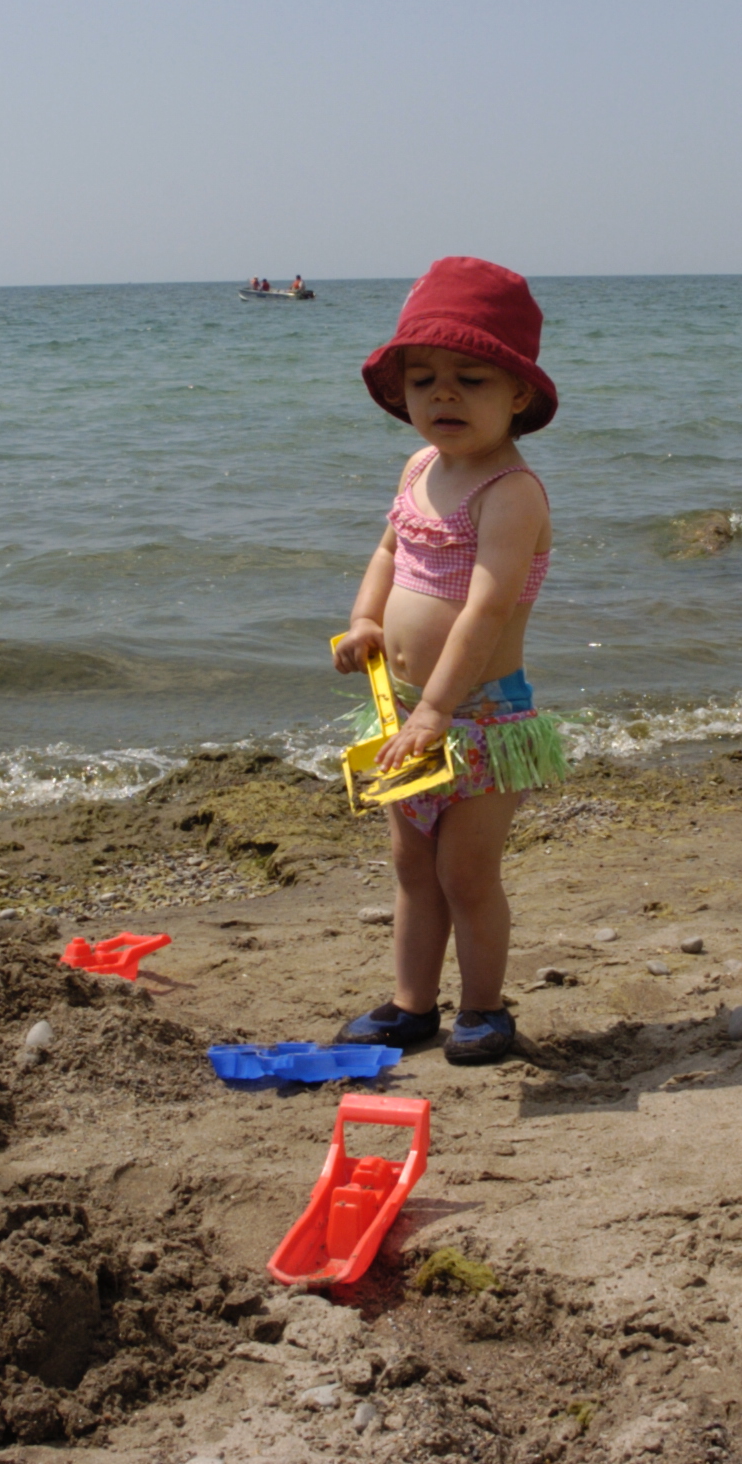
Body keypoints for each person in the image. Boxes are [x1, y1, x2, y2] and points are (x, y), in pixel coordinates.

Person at [330, 256, 568, 1065]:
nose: (444, 396)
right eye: (424, 380)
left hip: (481, 718)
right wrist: (366, 619)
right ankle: (411, 1005)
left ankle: (484, 1008)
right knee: (411, 867)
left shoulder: (511, 493)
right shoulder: (420, 468)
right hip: (401, 710)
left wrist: (438, 709)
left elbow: (485, 610)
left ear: (519, 394)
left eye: (470, 379)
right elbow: (389, 551)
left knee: (466, 872)